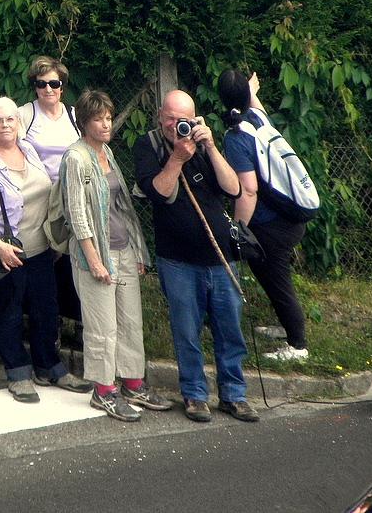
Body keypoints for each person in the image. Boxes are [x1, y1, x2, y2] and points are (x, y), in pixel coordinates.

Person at [132, 90, 259, 423]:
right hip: (178, 259)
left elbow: (234, 189)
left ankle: (234, 395)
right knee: (186, 331)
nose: (177, 125)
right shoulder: (148, 146)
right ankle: (195, 395)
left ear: (195, 118)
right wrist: (176, 157)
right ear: (160, 116)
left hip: (220, 258)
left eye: (183, 119)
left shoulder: (205, 146)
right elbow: (158, 193)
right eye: (171, 118)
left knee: (229, 329)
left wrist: (212, 148)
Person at [0, 97, 92, 403]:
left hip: (42, 249)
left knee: (46, 310)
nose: (5, 125)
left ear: (19, 124)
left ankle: (50, 367)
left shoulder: (29, 150)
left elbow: (48, 194)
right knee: (10, 313)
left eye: (10, 119)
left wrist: (54, 239)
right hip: (6, 253)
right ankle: (18, 372)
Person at [61, 89, 173, 422]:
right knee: (102, 327)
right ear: (84, 122)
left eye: (109, 118)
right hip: (96, 254)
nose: (106, 124)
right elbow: (77, 213)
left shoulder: (106, 151)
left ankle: (133, 383)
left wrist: (137, 249)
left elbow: (121, 206)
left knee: (129, 322)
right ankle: (104, 391)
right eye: (99, 118)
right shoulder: (76, 159)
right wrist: (94, 260)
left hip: (123, 249)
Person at [218, 69, 309, 361]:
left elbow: (248, 191)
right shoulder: (257, 118)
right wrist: (251, 91)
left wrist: (238, 230)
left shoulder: (235, 136)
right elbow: (253, 103)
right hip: (289, 214)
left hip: (271, 225)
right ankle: (286, 328)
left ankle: (298, 345)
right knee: (269, 276)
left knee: (276, 280)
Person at [19, 56, 83, 345]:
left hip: (72, 196)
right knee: (47, 260)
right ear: (34, 87)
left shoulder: (74, 115)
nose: (48, 89)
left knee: (75, 258)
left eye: (54, 83)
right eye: (41, 83)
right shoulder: (25, 115)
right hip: (39, 198)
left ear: (62, 86)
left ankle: (83, 322)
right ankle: (48, 323)